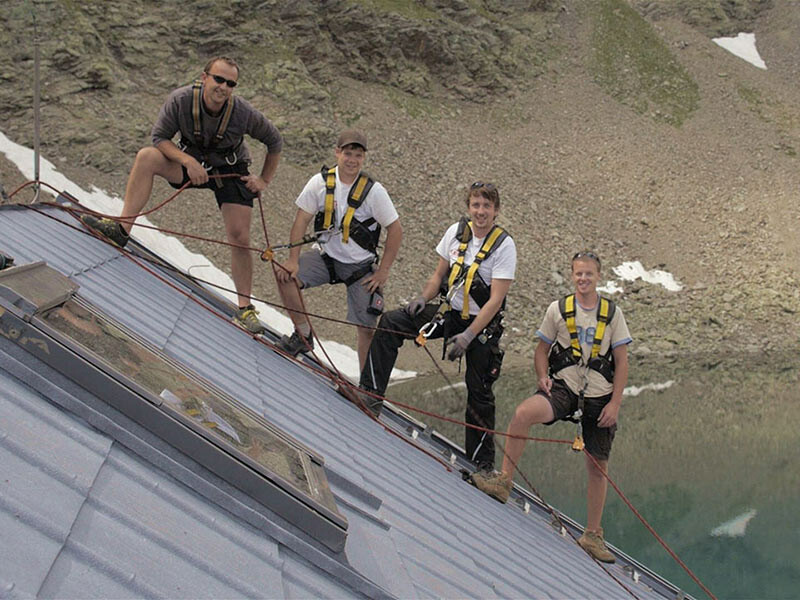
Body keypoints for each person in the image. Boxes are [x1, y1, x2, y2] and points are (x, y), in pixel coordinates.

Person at [81, 56, 282, 333]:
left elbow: (275, 141)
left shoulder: (243, 113)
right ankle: (121, 230)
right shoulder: (181, 100)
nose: (223, 87)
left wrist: (264, 180)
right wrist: (187, 162)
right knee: (147, 157)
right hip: (193, 164)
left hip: (231, 171)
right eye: (219, 79)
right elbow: (159, 138)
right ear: (204, 77)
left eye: (230, 83)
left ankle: (245, 309)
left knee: (240, 237)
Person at [472, 251, 631, 564]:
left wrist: (615, 404)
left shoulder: (613, 314)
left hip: (600, 397)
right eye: (578, 274)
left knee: (597, 466)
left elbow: (623, 362)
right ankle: (504, 481)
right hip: (564, 389)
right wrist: (542, 376)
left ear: (598, 276)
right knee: (521, 415)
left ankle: (593, 534)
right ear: (572, 276)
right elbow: (541, 351)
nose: (583, 279)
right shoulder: (558, 310)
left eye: (588, 274)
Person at [359, 182, 516, 474]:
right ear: (469, 207)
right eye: (476, 205)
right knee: (393, 322)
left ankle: (482, 463)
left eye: (486, 206)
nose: (480, 211)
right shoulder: (456, 234)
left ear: (496, 210)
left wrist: (469, 337)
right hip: (450, 313)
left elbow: (495, 300)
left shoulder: (504, 246)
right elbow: (438, 275)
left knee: (479, 389)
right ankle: (370, 393)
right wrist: (422, 298)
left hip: (481, 325)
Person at [274, 130, 402, 370]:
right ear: (337, 153)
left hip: (360, 268)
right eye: (347, 153)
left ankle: (366, 387)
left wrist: (383, 271)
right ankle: (302, 336)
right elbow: (301, 220)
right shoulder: (320, 183)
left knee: (367, 327)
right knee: (284, 275)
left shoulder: (374, 191)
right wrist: (292, 259)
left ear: (364, 158)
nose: (352, 160)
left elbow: (395, 229)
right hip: (326, 257)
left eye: (358, 155)